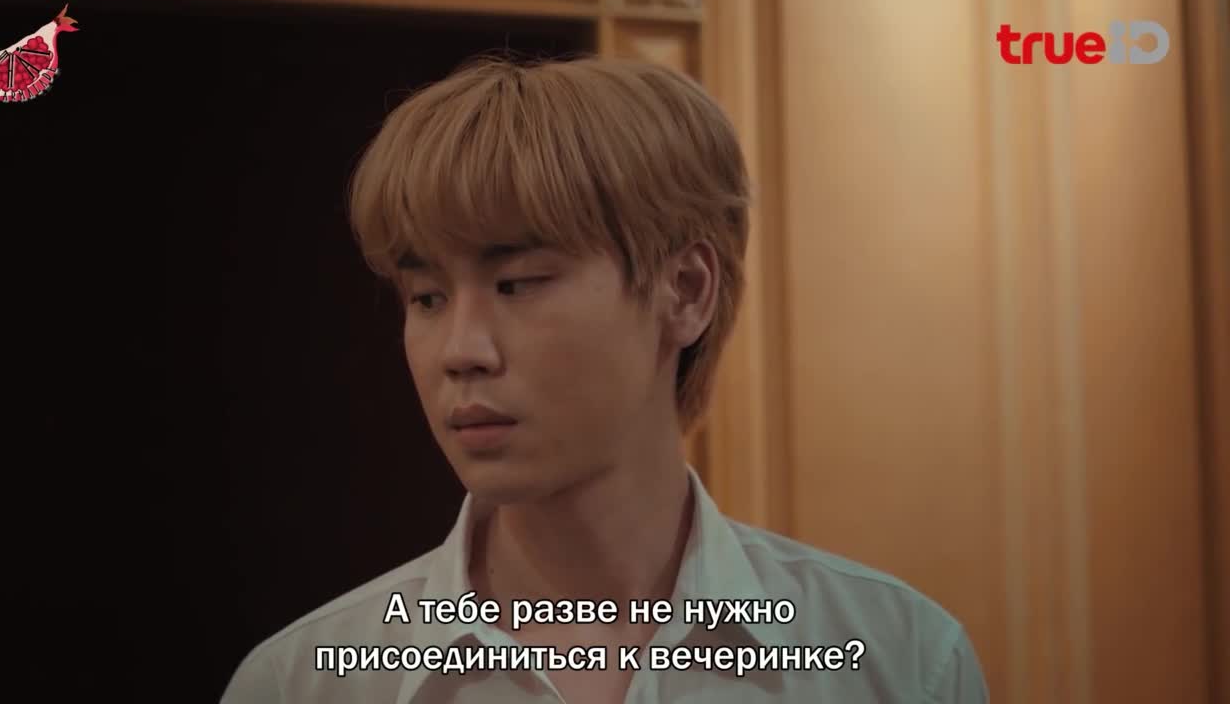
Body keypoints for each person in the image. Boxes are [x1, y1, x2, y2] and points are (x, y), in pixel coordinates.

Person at [220, 54, 989, 704]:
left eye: (517, 284)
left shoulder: (899, 661)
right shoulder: (304, 683)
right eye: (426, 297)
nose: (460, 350)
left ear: (685, 290)